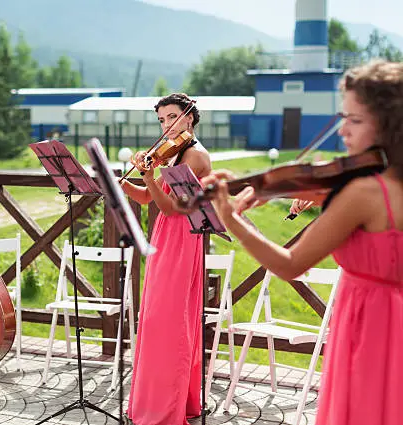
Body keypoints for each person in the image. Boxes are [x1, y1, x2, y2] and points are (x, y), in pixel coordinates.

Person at [200, 59, 403, 425]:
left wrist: (231, 217)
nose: (342, 130)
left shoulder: (362, 193)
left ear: (390, 125)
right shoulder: (386, 189)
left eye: (355, 120)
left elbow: (290, 264)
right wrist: (288, 190)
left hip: (368, 328)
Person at [120, 93, 211, 425]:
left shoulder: (196, 157)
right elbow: (147, 197)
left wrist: (147, 175)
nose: (166, 126)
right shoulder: (172, 156)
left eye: (171, 117)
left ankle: (167, 406)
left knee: (170, 323)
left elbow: (172, 206)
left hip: (183, 238)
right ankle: (165, 400)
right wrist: (119, 186)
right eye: (161, 120)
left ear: (188, 118)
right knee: (158, 320)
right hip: (165, 237)